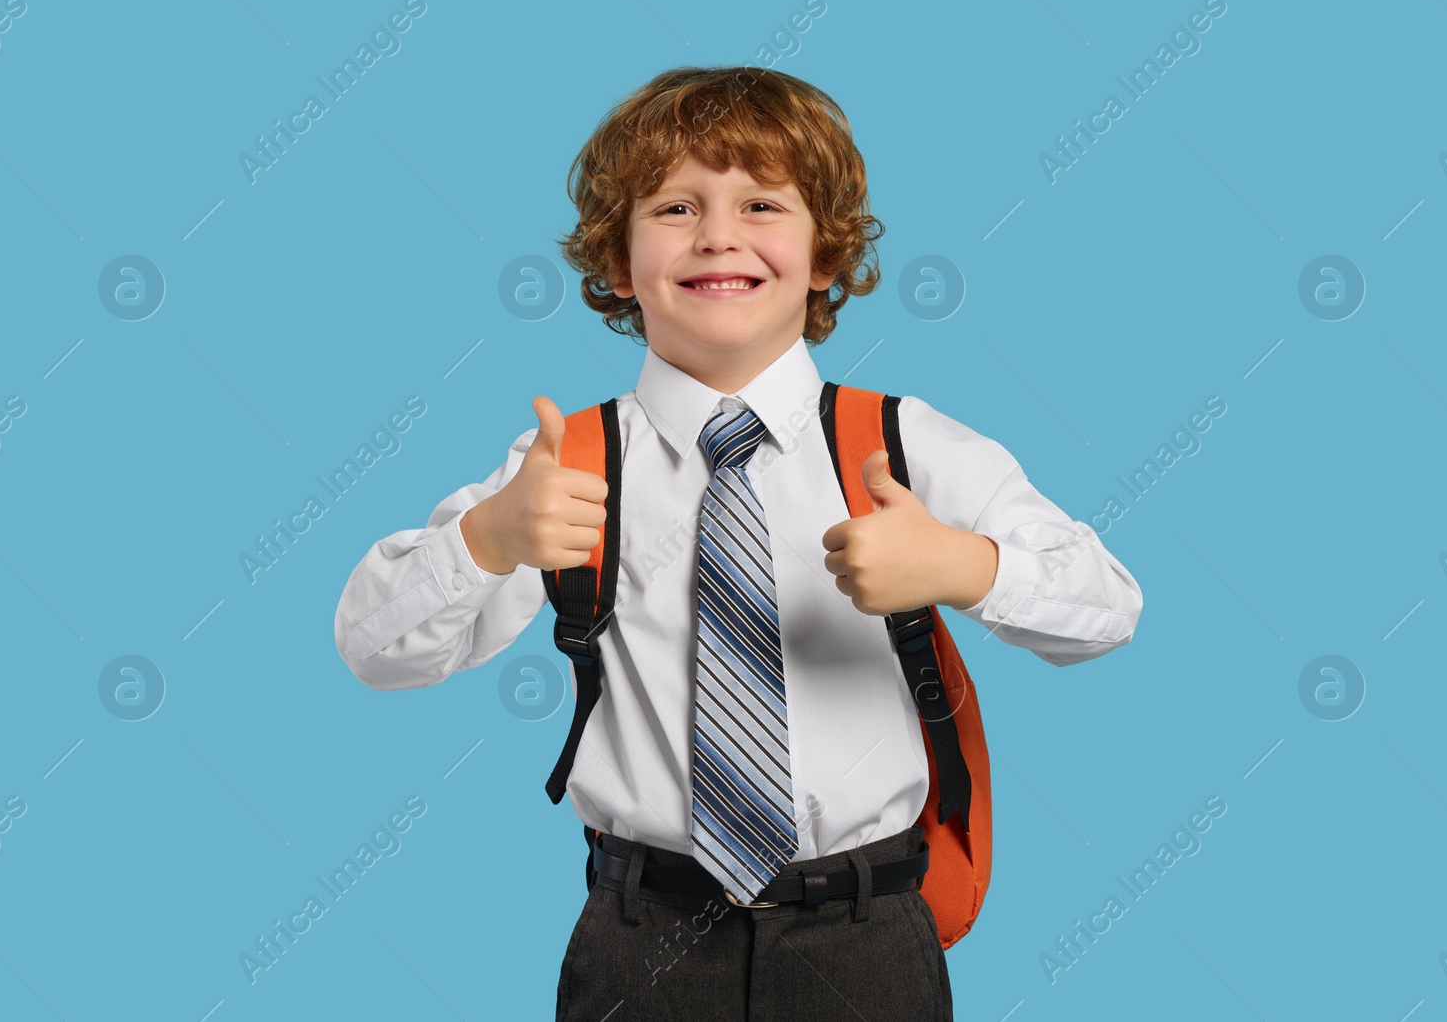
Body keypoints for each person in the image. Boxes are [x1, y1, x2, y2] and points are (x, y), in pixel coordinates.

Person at [333, 65, 1142, 1021]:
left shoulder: (905, 444)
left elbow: (1107, 606)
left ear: (827, 253)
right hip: (642, 936)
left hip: (866, 931)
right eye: (675, 206)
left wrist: (966, 567)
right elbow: (378, 651)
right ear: (616, 261)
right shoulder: (568, 461)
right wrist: (488, 538)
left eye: (762, 202)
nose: (719, 233)